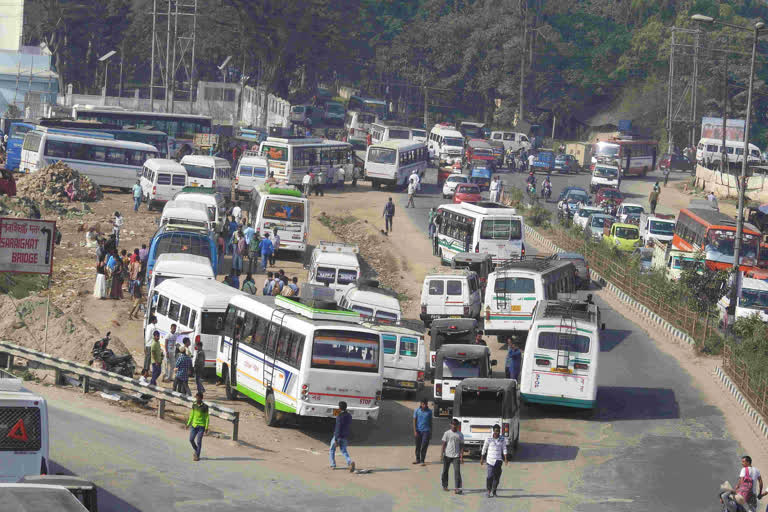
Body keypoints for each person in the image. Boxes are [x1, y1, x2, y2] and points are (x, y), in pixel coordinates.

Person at [481, 424, 508, 498]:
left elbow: (504, 448)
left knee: (497, 477)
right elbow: (484, 448)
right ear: (493, 431)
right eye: (496, 431)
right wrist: (482, 458)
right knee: (490, 476)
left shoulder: (502, 438)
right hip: (490, 460)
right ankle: (488, 491)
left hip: (498, 461)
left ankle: (494, 491)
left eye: (498, 431)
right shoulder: (488, 438)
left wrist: (505, 458)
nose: (497, 433)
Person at [329, 401, 355, 472]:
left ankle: (333, 464)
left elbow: (338, 428)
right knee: (344, 450)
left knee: (332, 450)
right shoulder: (349, 415)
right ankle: (349, 461)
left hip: (338, 436)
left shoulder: (339, 416)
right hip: (345, 436)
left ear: (339, 408)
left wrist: (336, 439)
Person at [441, 418, 464, 494]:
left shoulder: (460, 434)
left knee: (457, 471)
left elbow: (461, 446)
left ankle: (458, 488)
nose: (454, 426)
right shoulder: (447, 433)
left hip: (456, 456)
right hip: (447, 455)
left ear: (458, 425)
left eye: (456, 425)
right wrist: (442, 454)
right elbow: (444, 444)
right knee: (445, 471)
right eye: (453, 424)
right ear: (450, 425)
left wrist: (461, 456)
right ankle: (445, 486)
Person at [187, 392, 210, 462]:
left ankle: (197, 456)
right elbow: (192, 415)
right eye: (196, 397)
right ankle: (197, 450)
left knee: (199, 441)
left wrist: (206, 427)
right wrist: (188, 423)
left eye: (197, 397)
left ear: (201, 398)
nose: (196, 399)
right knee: (191, 439)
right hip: (194, 425)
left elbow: (207, 418)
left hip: (201, 427)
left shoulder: (205, 407)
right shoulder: (194, 405)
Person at [413, 399, 432, 466]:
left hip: (426, 431)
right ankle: (417, 459)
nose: (424, 405)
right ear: (421, 404)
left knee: (424, 445)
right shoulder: (417, 411)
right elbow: (414, 421)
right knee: (418, 445)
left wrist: (431, 432)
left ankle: (422, 460)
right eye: (423, 404)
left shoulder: (429, 412)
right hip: (418, 431)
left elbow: (430, 422)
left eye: (426, 404)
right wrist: (415, 431)